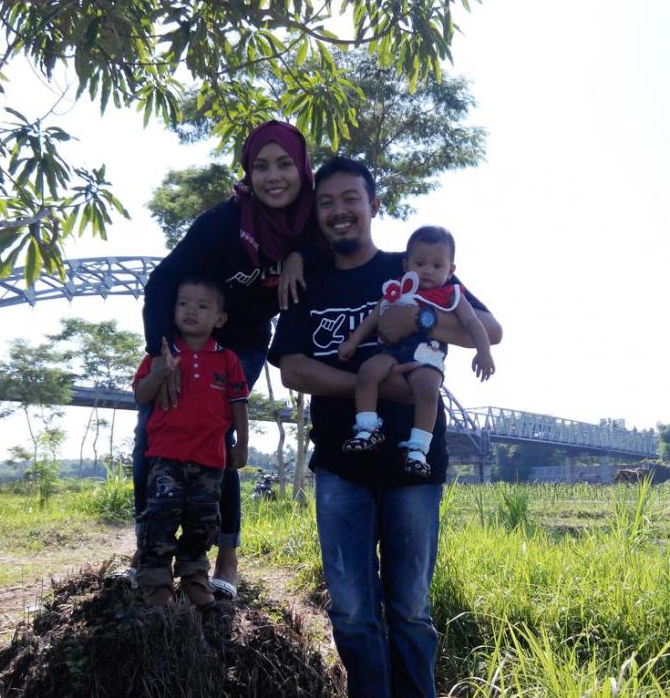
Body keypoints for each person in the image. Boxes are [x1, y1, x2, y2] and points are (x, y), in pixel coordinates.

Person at [269, 157, 501, 698]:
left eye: (350, 199)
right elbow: (293, 368)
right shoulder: (309, 282)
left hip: (412, 467)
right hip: (340, 466)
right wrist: (367, 387)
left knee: (412, 609)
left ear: (374, 206)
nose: (338, 211)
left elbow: (489, 328)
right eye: (325, 203)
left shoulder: (413, 268)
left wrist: (421, 318)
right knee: (351, 610)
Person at [137, 119, 319, 599]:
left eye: (284, 164)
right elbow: (161, 283)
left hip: (244, 343)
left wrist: (302, 251)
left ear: (302, 169)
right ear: (247, 174)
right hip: (186, 341)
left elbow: (341, 248)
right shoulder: (223, 223)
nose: (273, 176)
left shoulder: (317, 220)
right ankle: (149, 556)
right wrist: (164, 353)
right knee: (150, 431)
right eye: (260, 166)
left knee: (219, 434)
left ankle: (224, 557)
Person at [338, 225, 495, 477]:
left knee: (428, 390)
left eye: (437, 266)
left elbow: (473, 323)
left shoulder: (450, 294)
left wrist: (483, 351)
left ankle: (418, 449)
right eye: (420, 263)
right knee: (367, 373)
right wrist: (353, 341)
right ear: (406, 265)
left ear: (451, 271)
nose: (427, 271)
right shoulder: (397, 290)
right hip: (389, 352)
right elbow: (374, 317)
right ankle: (367, 428)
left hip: (426, 356)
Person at [133, 278, 249, 607]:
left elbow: (239, 402)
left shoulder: (228, 359)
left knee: (202, 519)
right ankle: (156, 579)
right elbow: (141, 394)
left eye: (202, 306)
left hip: (211, 459)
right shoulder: (162, 352)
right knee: (161, 515)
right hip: (165, 456)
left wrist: (241, 442)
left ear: (219, 318)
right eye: (183, 304)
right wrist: (160, 372)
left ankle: (195, 575)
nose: (190, 311)